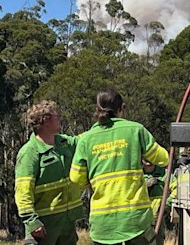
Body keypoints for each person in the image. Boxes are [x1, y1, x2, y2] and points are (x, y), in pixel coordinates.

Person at [70, 89, 169, 245]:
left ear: (97, 109)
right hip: (136, 221)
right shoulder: (136, 130)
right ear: (122, 108)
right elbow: (163, 159)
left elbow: (76, 178)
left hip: (103, 223)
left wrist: (92, 181)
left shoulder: (86, 139)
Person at [15, 100, 83, 245]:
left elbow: (84, 141)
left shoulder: (64, 142)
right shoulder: (29, 152)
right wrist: (31, 221)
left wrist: (102, 128)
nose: (59, 118)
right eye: (56, 116)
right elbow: (23, 191)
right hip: (43, 225)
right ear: (45, 121)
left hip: (67, 222)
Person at [142, 159, 176, 245]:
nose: (148, 159)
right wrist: (145, 186)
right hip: (141, 220)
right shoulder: (136, 174)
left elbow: (177, 188)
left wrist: (166, 204)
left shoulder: (164, 173)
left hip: (159, 220)